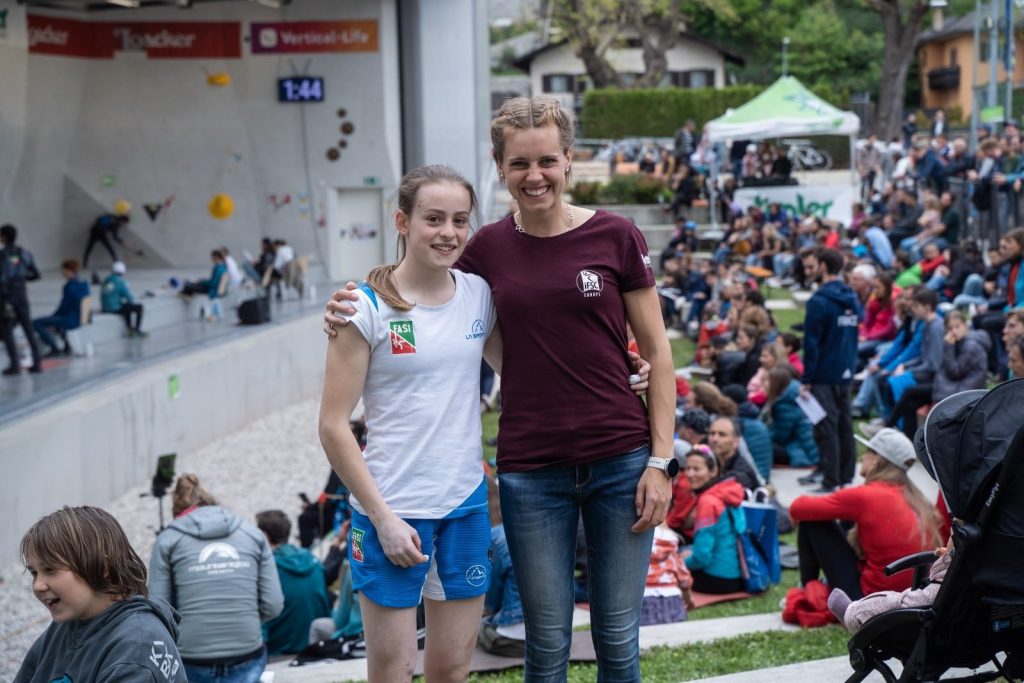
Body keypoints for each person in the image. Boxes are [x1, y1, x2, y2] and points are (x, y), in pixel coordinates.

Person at [323, 97, 675, 682]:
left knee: (617, 636)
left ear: (568, 159)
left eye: (546, 161)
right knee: (545, 638)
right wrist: (351, 300)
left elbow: (655, 351)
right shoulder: (483, 248)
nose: (534, 176)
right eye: (519, 164)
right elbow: (422, 284)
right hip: (530, 469)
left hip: (618, 457)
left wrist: (659, 453)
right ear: (500, 166)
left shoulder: (614, 235)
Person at [15, 505, 187, 683]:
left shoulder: (135, 649)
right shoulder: (67, 625)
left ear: (102, 567)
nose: (38, 586)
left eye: (50, 569)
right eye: (34, 573)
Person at [149, 474, 283, 682]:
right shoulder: (252, 534)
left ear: (178, 512)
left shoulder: (168, 539)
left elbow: (159, 609)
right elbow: (273, 605)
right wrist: (244, 616)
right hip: (247, 651)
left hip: (192, 656)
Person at [790, 428, 941, 601]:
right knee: (843, 517)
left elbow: (798, 507)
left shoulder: (866, 496)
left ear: (877, 460)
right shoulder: (915, 497)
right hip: (910, 596)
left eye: (868, 451)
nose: (863, 457)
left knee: (813, 521)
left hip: (870, 599)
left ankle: (807, 591)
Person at [800, 248, 859, 493]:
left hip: (824, 373)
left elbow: (811, 344)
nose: (810, 271)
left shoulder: (819, 301)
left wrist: (807, 378)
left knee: (826, 426)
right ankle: (845, 475)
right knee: (844, 424)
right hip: (846, 370)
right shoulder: (851, 296)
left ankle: (830, 480)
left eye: (813, 266)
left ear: (823, 266)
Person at [256, 510, 332, 656]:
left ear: (264, 535)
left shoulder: (267, 568)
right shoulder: (311, 559)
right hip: (318, 641)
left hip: (280, 650)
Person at [682, 446, 747, 594]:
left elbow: (701, 558)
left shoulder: (708, 502)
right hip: (737, 576)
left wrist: (678, 563)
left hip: (716, 580)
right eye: (688, 468)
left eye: (697, 469)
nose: (690, 474)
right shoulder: (727, 491)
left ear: (713, 471)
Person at [0, 224, 43, 374]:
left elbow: (2, 278)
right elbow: (36, 275)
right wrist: (22, 278)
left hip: (6, 297)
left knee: (7, 332)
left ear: (3, 237)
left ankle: (15, 364)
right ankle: (37, 362)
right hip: (22, 295)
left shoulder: (3, 255)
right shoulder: (25, 253)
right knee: (28, 329)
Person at [764, 365, 819, 468]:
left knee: (760, 445)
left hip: (804, 453)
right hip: (810, 447)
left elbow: (780, 436)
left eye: (767, 380)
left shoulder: (785, 404)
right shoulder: (795, 395)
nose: (764, 384)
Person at [32, 259, 89, 357]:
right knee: (58, 322)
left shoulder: (69, 286)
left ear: (69, 271)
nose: (63, 274)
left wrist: (53, 316)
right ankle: (66, 345)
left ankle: (54, 348)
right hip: (80, 318)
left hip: (70, 319)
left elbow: (64, 306)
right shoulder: (84, 284)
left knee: (37, 322)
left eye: (64, 271)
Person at [707, 416, 759, 491]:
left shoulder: (741, 473)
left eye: (722, 435)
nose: (715, 439)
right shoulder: (711, 463)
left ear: (736, 442)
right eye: (712, 433)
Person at [100, 261, 146, 337]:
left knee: (126, 307)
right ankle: (136, 330)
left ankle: (130, 329)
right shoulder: (120, 281)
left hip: (105, 307)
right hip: (114, 308)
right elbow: (129, 298)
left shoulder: (106, 279)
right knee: (138, 307)